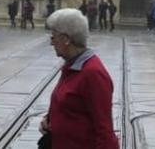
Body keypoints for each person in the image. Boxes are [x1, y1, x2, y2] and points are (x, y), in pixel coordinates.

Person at [38, 9, 118, 149]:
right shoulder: (71, 66)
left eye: (53, 37)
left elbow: (104, 129)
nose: (51, 43)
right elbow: (72, 107)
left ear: (66, 39)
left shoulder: (92, 73)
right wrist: (50, 119)